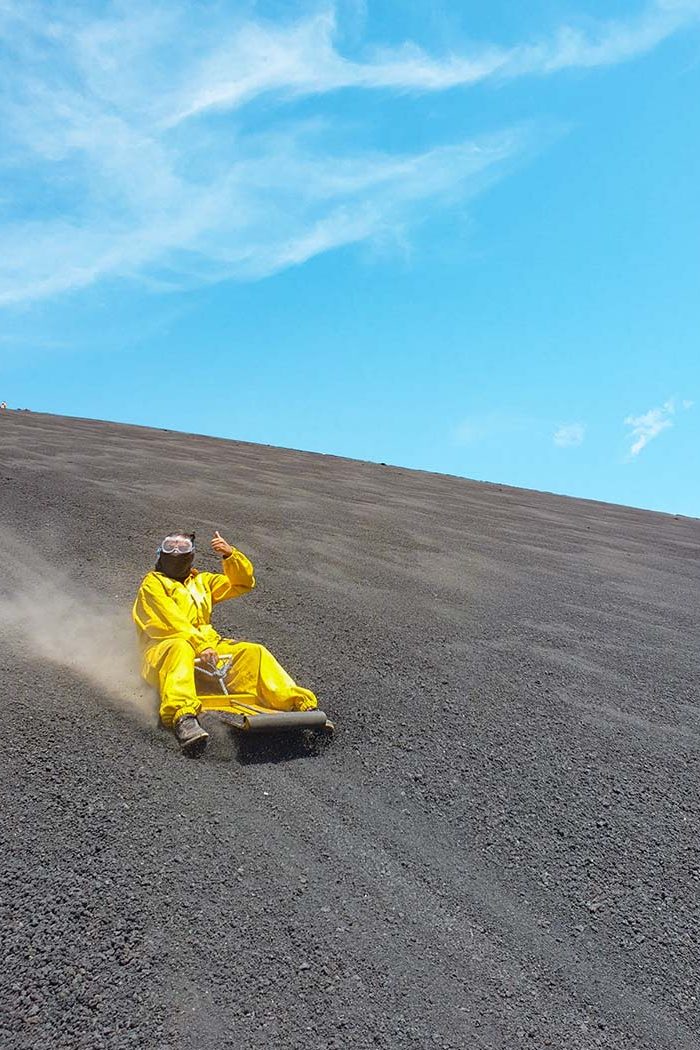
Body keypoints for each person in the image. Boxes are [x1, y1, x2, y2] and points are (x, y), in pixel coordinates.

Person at [132, 530, 318, 754]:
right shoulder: (152, 584)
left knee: (253, 652)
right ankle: (183, 717)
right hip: (163, 649)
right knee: (180, 647)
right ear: (160, 552)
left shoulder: (202, 581)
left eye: (182, 548)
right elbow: (171, 622)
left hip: (206, 647)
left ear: (191, 554)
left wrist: (231, 556)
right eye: (169, 546)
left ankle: (297, 703)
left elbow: (243, 583)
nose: (175, 552)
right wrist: (201, 645)